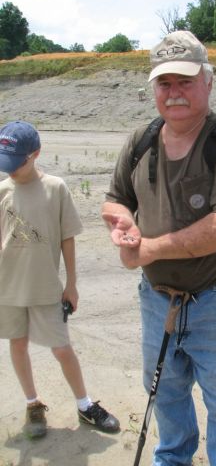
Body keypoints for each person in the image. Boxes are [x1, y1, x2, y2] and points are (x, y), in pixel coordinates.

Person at [102, 31, 216, 466]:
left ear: (208, 81)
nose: (174, 93)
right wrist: (124, 224)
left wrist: (149, 249)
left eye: (185, 81)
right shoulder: (141, 140)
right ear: (153, 88)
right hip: (156, 301)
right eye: (164, 83)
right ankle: (172, 459)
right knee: (165, 395)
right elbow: (116, 197)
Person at [0, 120, 120, 439]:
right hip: (7, 288)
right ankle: (32, 404)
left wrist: (72, 283)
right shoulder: (2, 190)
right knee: (18, 343)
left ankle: (85, 405)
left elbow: (68, 237)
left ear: (36, 154)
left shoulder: (56, 187)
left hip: (45, 288)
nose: (9, 169)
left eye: (16, 162)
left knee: (62, 348)